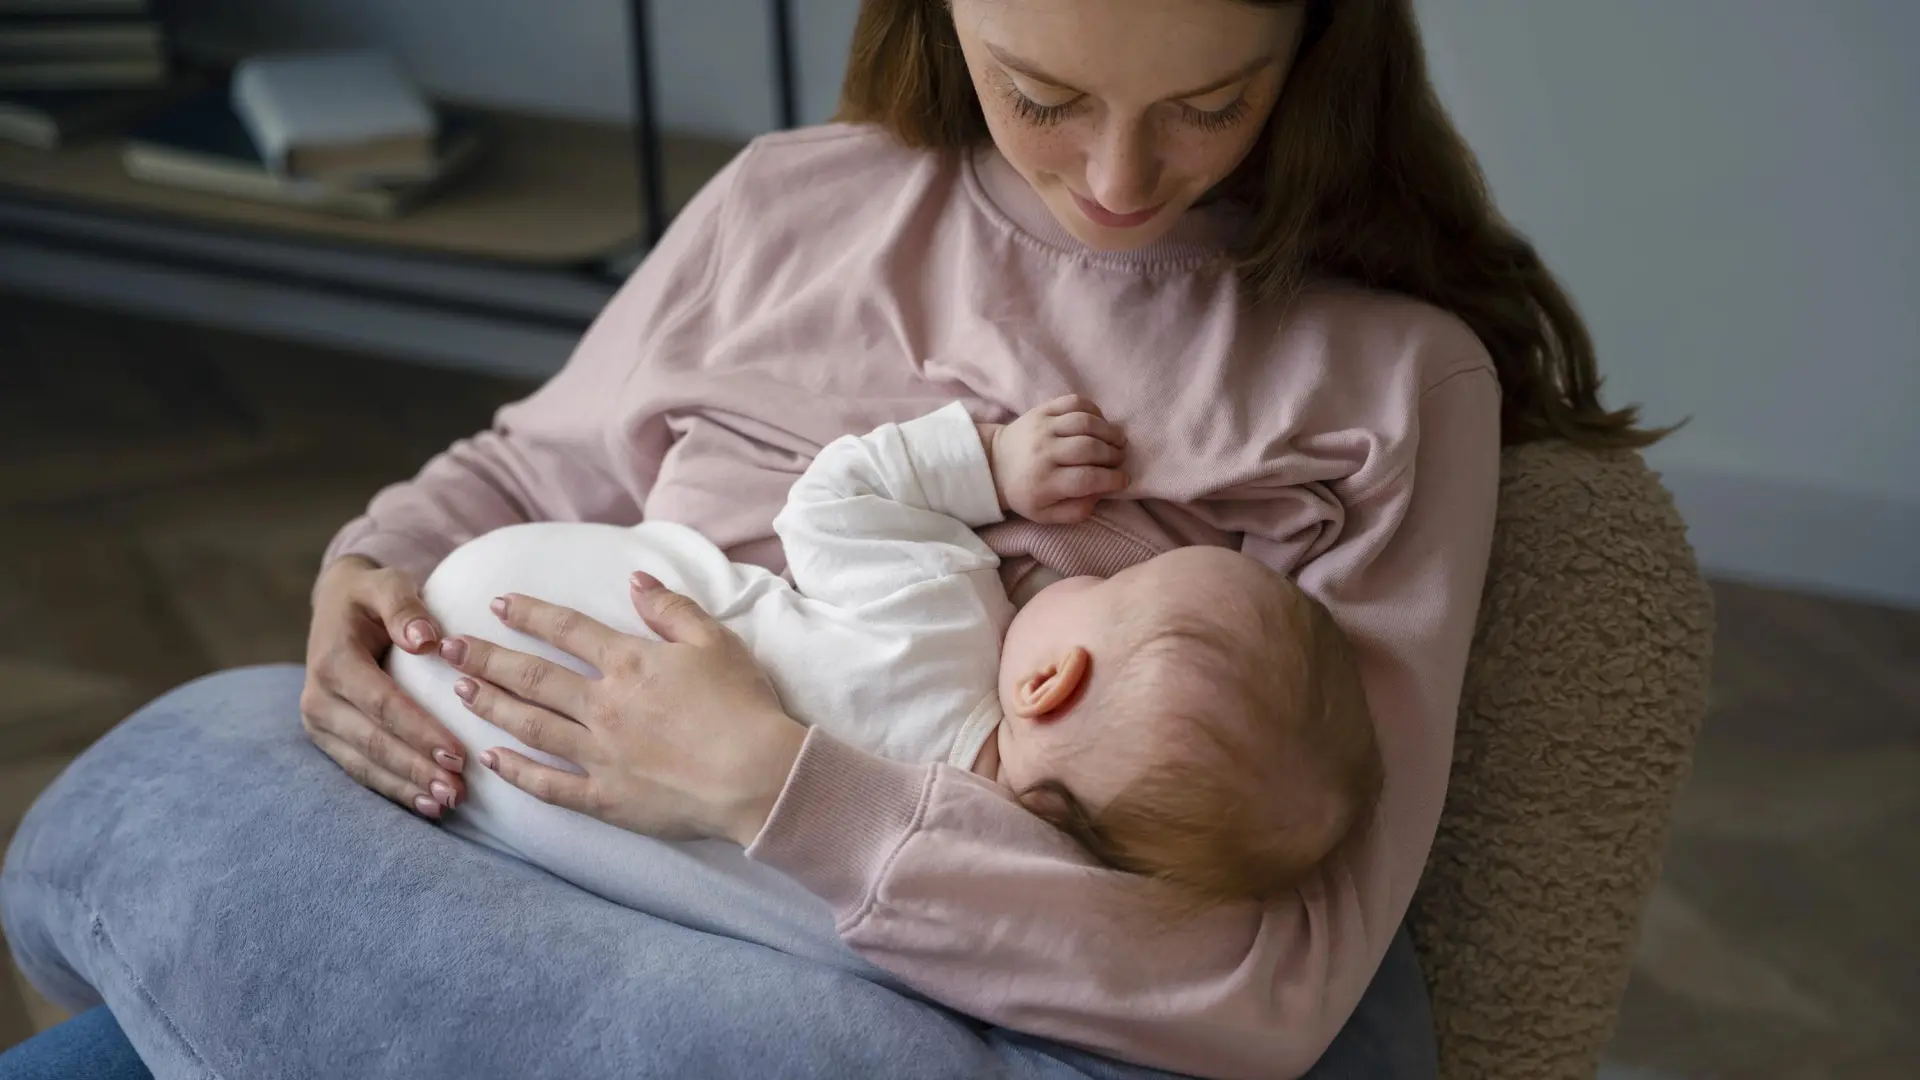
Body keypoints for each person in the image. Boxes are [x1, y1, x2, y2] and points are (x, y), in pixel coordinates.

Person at [0, 1, 1657, 1078]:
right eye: (1043, 95)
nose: (1118, 177)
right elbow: (525, 468)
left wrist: (769, 786)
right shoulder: (790, 207)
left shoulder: (1387, 385)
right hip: (524, 835)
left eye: (1211, 103)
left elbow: (1283, 965)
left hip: (890, 980)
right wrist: (368, 573)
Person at [395, 397, 1379, 920]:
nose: (1088, 571)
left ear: (1047, 683)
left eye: (1117, 586)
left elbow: (833, 498)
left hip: (493, 612)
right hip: (527, 818)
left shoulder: (944, 617)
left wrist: (991, 464)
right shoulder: (990, 864)